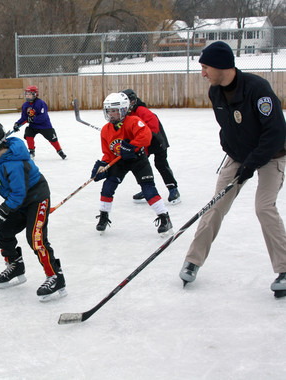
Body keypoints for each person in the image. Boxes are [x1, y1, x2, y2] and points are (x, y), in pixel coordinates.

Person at [179, 41, 286, 298]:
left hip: (272, 155)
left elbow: (276, 132)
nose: (202, 73)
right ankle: (193, 260)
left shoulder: (257, 89)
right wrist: (231, 148)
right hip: (238, 156)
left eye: (205, 67)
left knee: (264, 206)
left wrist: (252, 162)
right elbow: (227, 126)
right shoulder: (215, 92)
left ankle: (284, 269)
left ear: (221, 66)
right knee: (216, 205)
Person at [0, 120, 67, 302]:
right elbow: (5, 185)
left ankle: (56, 277)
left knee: (36, 238)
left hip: (36, 199)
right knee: (0, 231)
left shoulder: (14, 164)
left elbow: (17, 195)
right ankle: (15, 265)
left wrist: (0, 212)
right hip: (19, 201)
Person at [91, 92, 173, 236]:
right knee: (108, 187)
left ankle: (164, 218)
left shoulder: (134, 121)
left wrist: (133, 146)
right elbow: (108, 152)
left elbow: (146, 136)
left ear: (123, 110)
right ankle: (104, 216)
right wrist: (104, 164)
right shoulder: (105, 130)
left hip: (138, 160)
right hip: (119, 161)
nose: (111, 114)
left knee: (148, 190)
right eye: (109, 111)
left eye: (115, 111)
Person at [121, 89, 181, 204]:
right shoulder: (128, 115)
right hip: (144, 144)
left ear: (133, 101)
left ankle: (173, 189)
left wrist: (142, 138)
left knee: (161, 164)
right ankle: (147, 188)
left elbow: (153, 126)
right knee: (141, 166)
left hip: (157, 141)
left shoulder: (141, 110)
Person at [13, 85, 66, 160]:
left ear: (35, 94)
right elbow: (24, 117)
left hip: (44, 126)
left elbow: (43, 117)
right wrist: (17, 124)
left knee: (53, 139)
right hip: (33, 126)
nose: (27, 96)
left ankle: (59, 151)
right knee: (28, 133)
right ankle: (31, 152)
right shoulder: (25, 105)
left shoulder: (40, 103)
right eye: (26, 94)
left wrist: (33, 119)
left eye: (30, 94)